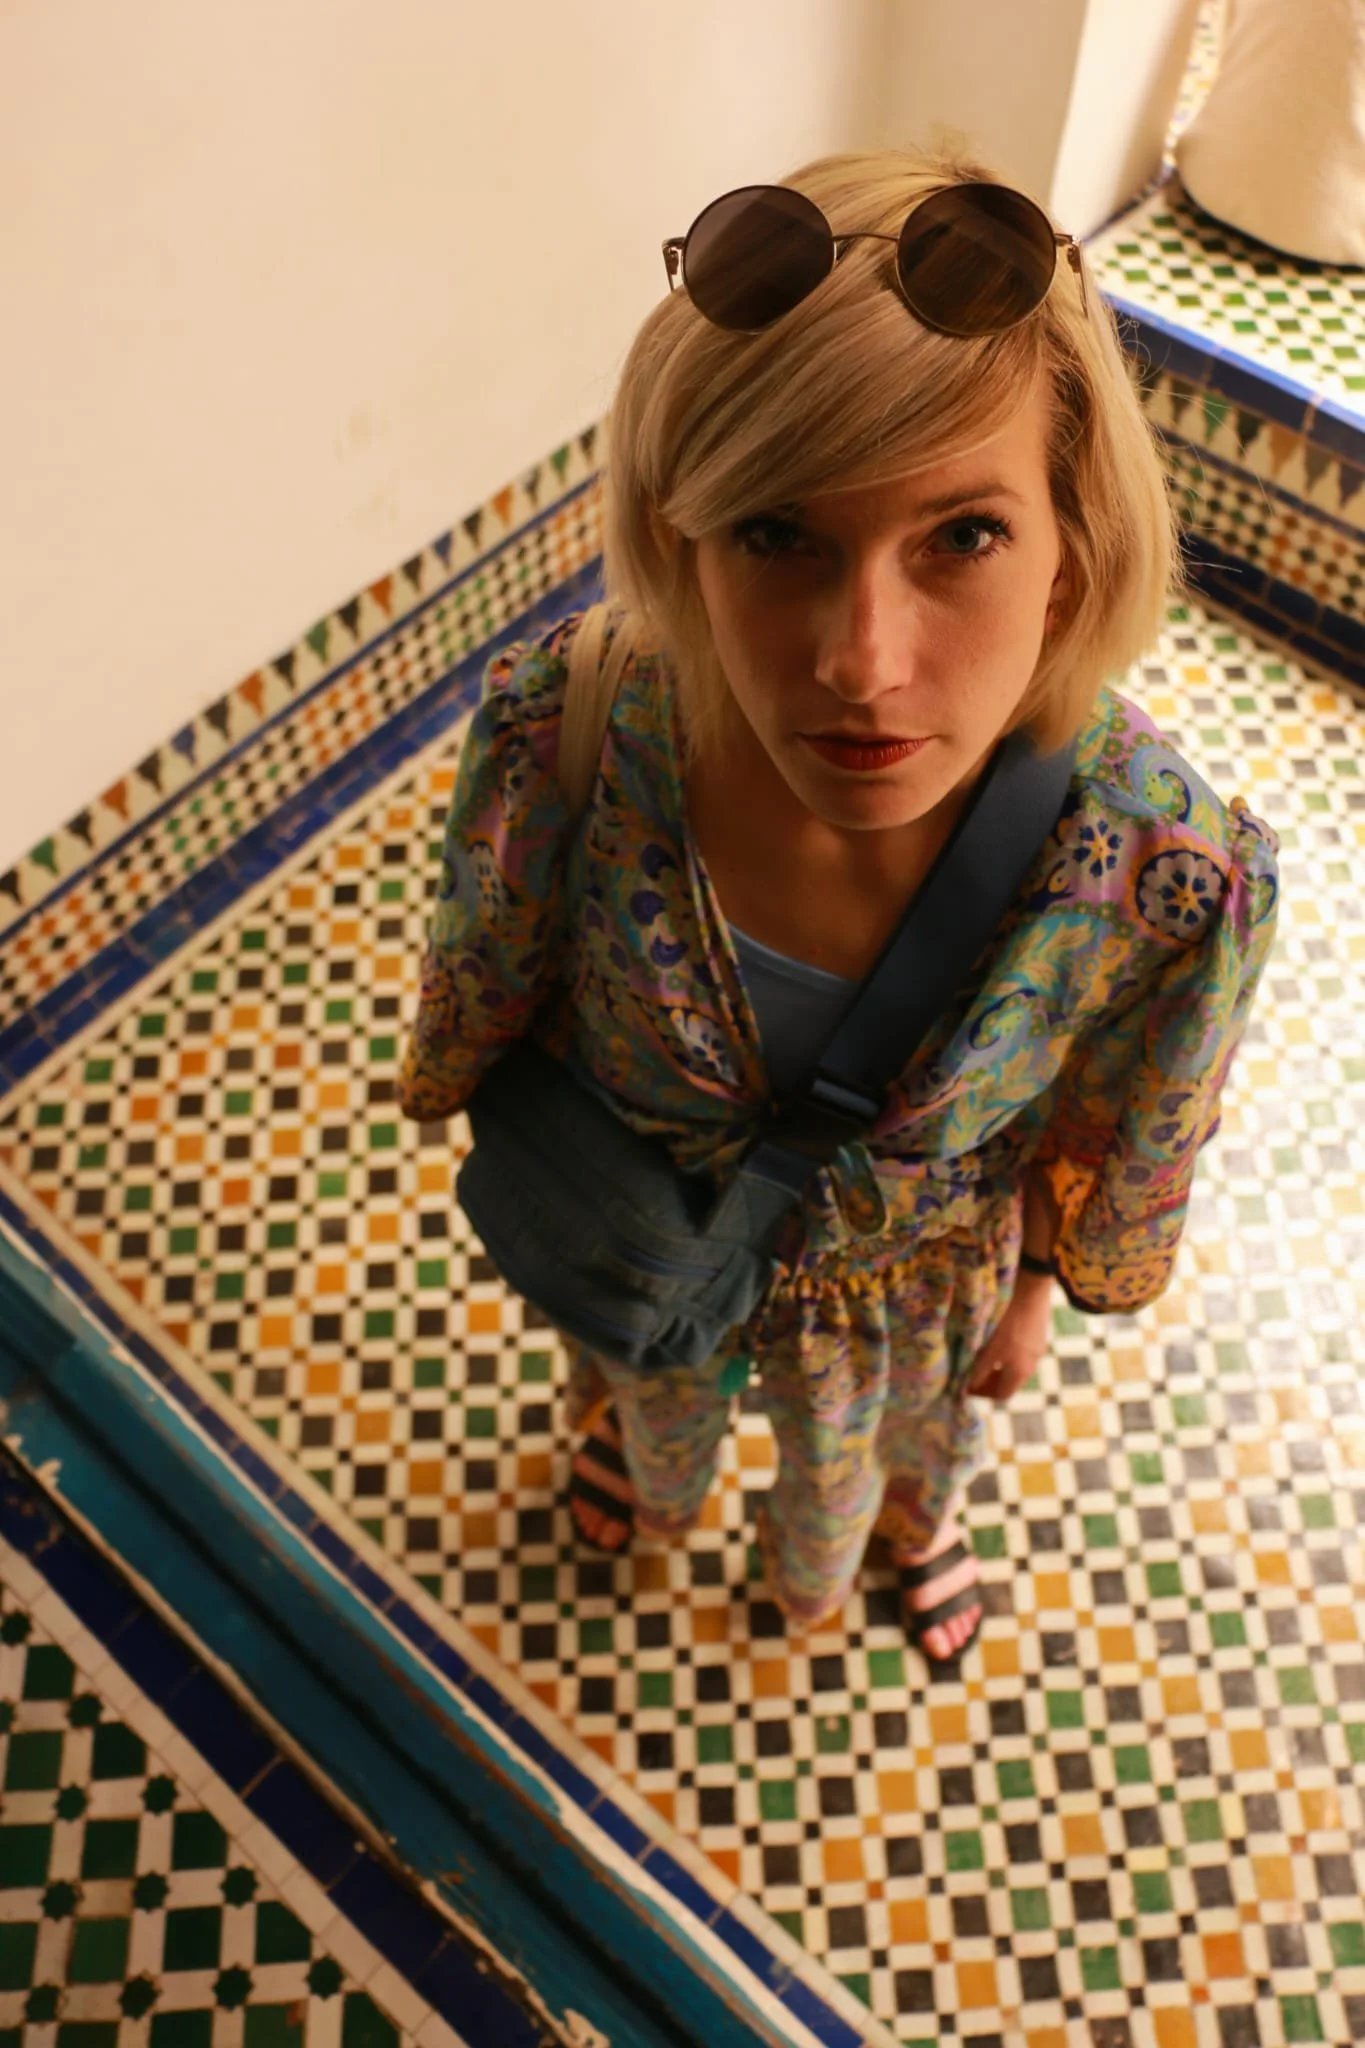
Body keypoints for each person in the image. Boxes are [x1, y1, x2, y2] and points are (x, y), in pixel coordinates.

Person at [398, 144, 1279, 1669]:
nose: (864, 664)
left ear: (1072, 552)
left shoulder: (1165, 875)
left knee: (871, 1469)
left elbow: (1116, 1127)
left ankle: (876, 1549)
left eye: (964, 536)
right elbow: (495, 962)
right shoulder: (578, 725)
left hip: (910, 1305)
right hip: (646, 1234)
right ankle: (650, 1472)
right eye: (780, 536)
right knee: (653, 1402)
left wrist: (1032, 1301)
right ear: (688, 534)